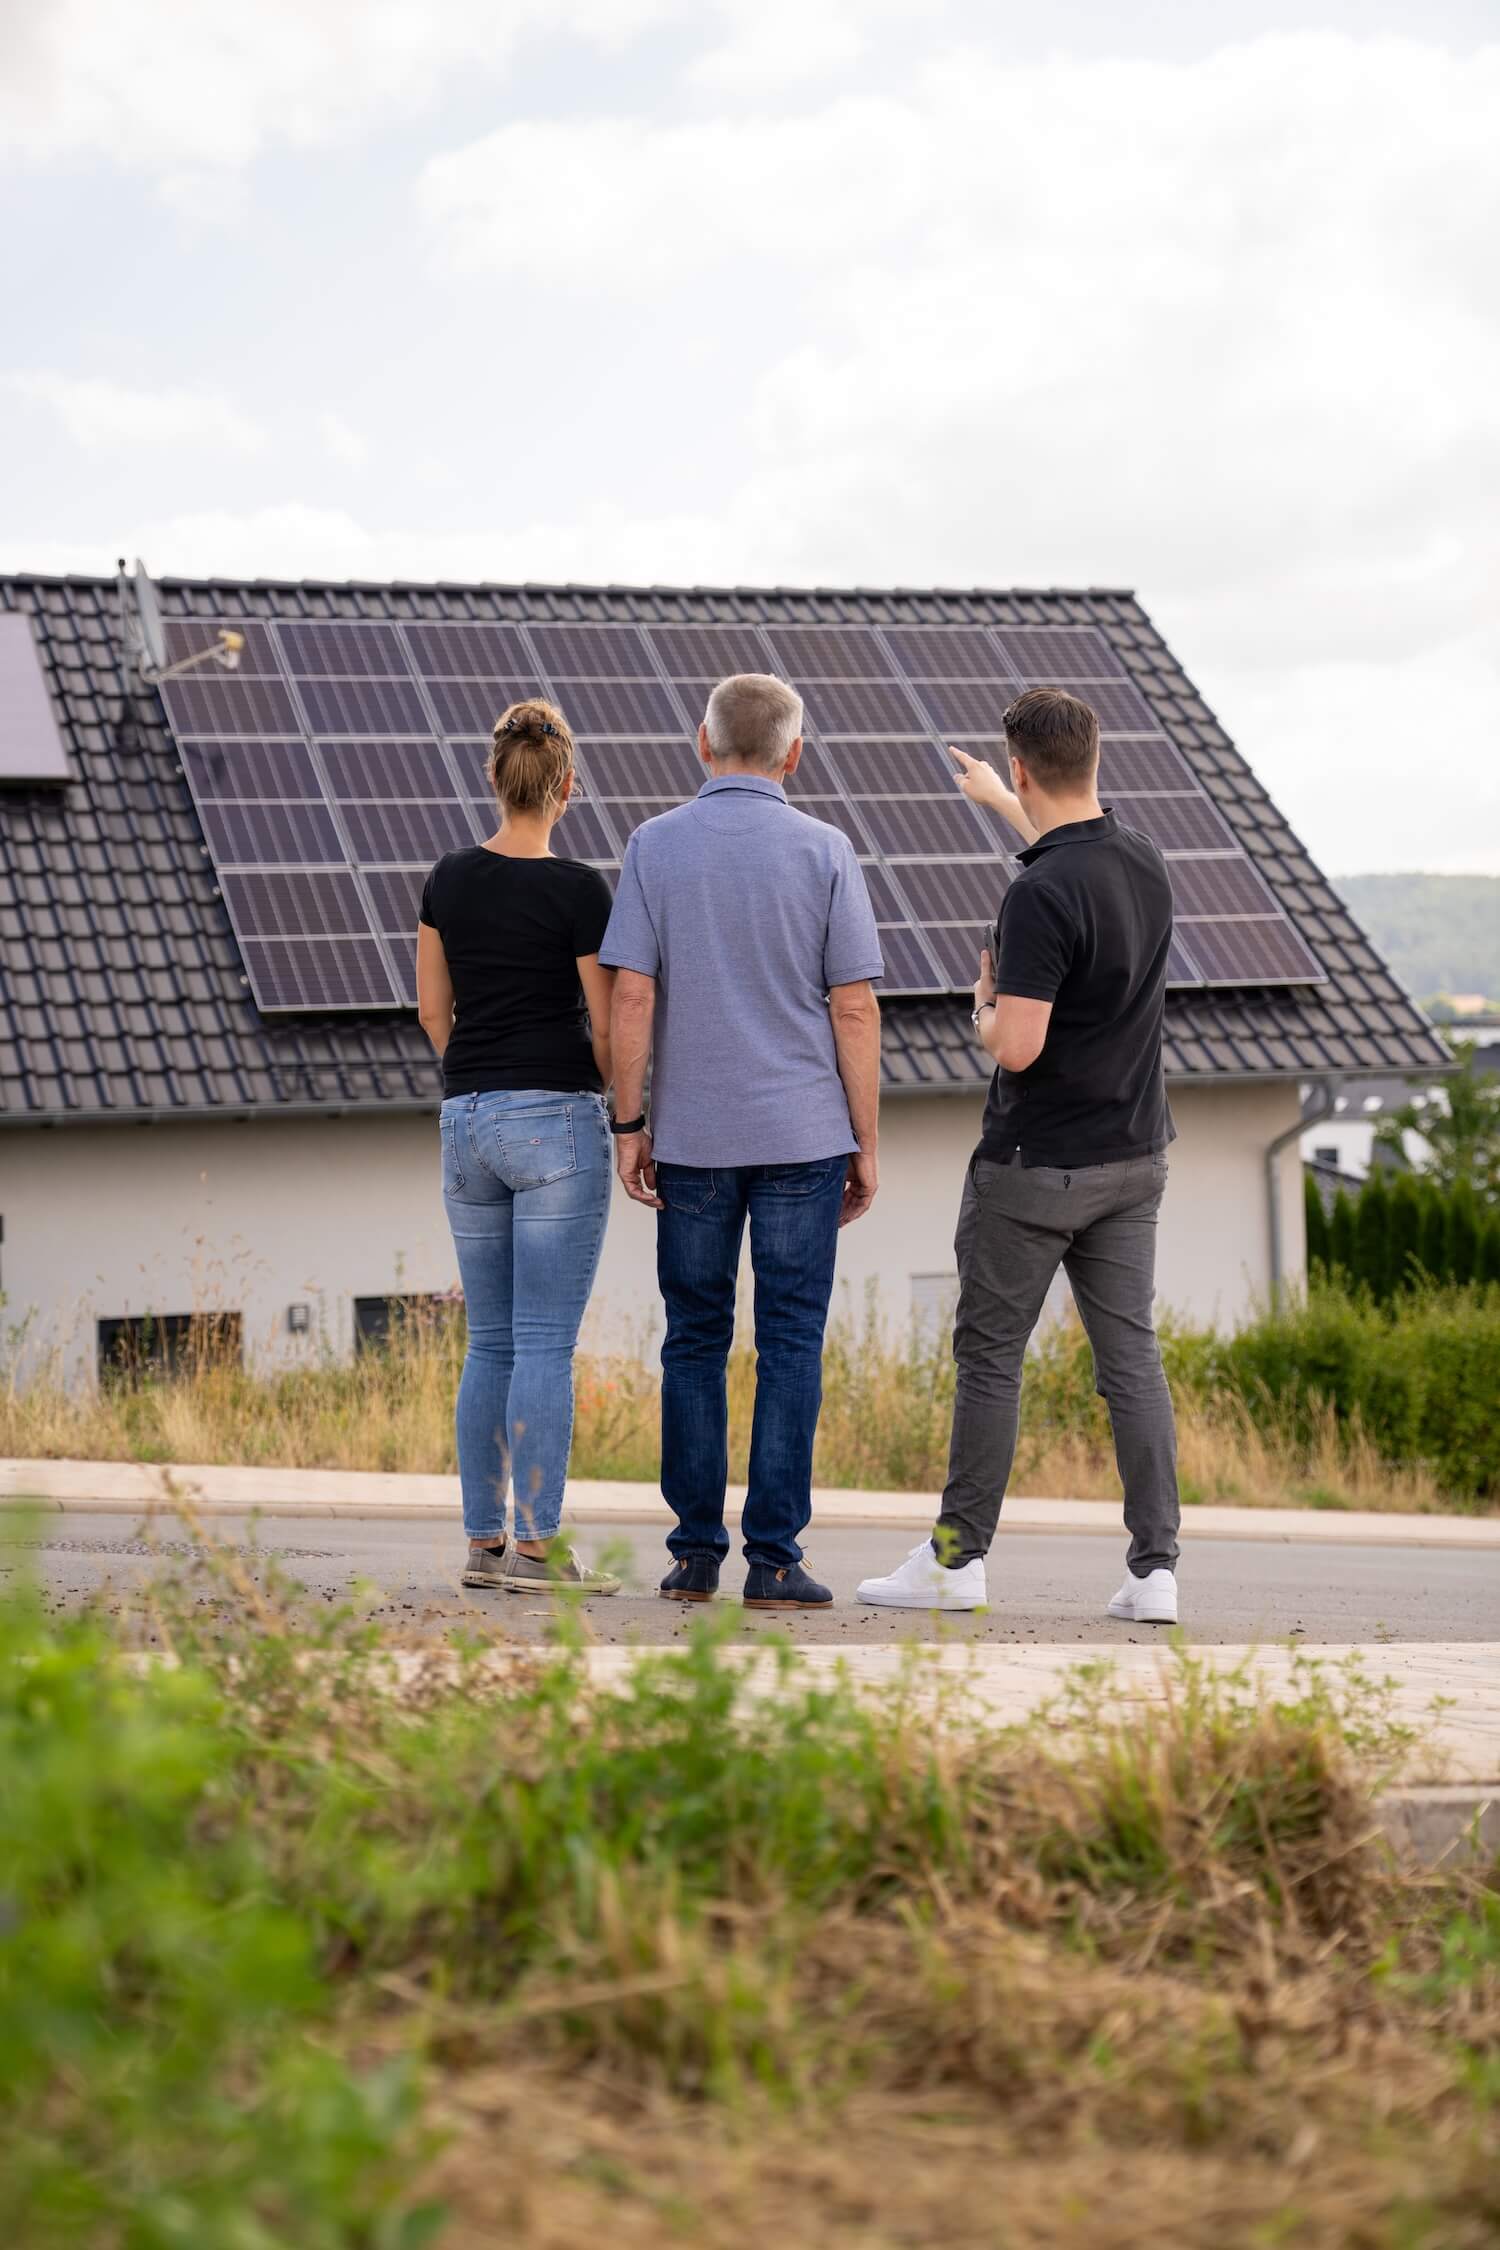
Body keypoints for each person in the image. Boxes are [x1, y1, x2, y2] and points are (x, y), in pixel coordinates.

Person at [857, 687, 1182, 1623]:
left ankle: (957, 1563)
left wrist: (983, 1009)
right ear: (1093, 760)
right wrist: (1005, 803)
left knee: (992, 1359)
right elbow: (1070, 851)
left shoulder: (1036, 895)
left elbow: (1019, 1046)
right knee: (1132, 1363)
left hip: (1036, 1168)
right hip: (1134, 1158)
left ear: (1027, 766)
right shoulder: (1146, 860)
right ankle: (1155, 1572)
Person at [600, 672, 883, 1609]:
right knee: (791, 1340)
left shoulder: (652, 846)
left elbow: (631, 994)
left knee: (694, 1337)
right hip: (805, 1135)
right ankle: (774, 1560)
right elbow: (854, 1005)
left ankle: (692, 1555)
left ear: (702, 741)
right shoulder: (827, 849)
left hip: (693, 1139)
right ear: (793, 754)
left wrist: (630, 1122)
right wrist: (864, 1141)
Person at [416, 697, 622, 1597]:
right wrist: (626, 1109)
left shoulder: (447, 880)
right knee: (543, 1344)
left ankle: (481, 1545)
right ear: (567, 787)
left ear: (493, 778)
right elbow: (607, 1025)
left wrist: (481, 1078)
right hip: (556, 1120)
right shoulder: (580, 891)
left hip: (466, 1117)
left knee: (488, 1345)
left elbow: (434, 1014)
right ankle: (538, 1548)